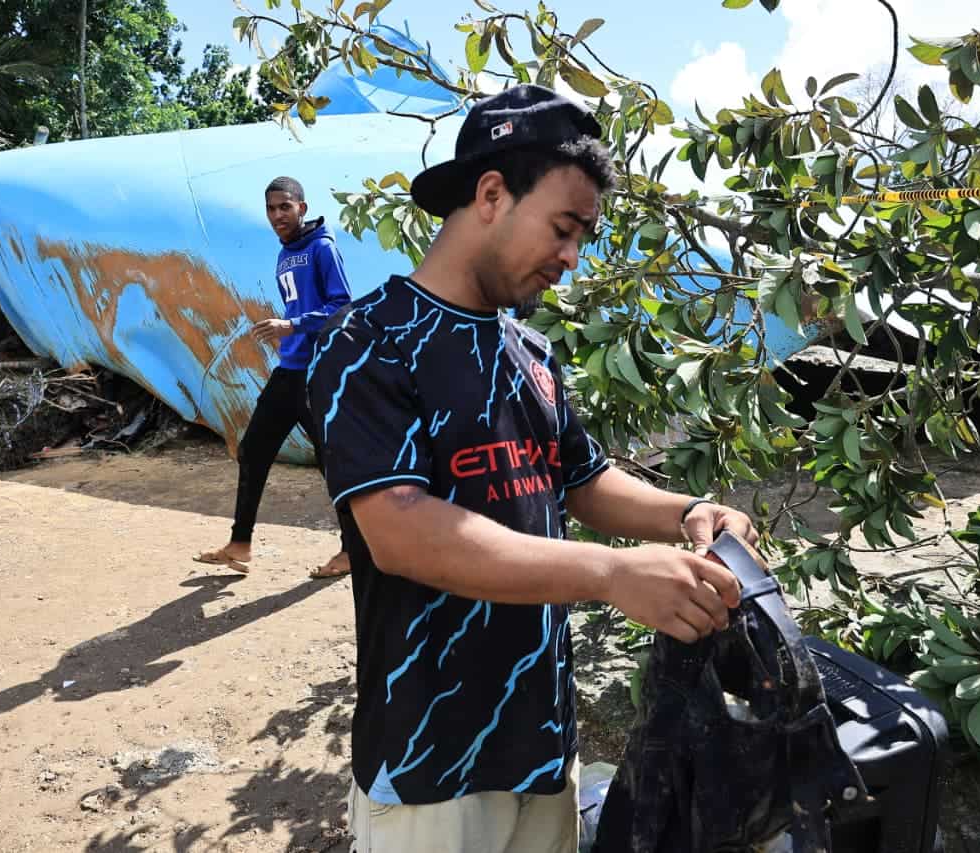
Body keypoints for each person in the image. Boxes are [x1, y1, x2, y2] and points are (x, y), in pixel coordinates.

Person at [306, 85, 759, 853]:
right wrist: (611, 575)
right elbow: (402, 533)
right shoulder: (365, 344)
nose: (572, 257)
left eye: (583, 235)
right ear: (491, 194)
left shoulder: (531, 352)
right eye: (563, 227)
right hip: (428, 765)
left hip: (543, 744)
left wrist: (686, 511)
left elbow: (581, 480)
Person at [194, 176, 354, 578]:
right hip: (290, 370)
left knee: (330, 461)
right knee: (253, 450)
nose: (278, 215)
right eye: (271, 208)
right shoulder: (286, 252)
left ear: (302, 206)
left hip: (317, 373)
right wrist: (288, 334)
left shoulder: (322, 248)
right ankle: (240, 544)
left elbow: (342, 307)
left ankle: (353, 550)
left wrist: (292, 325)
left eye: (285, 206)